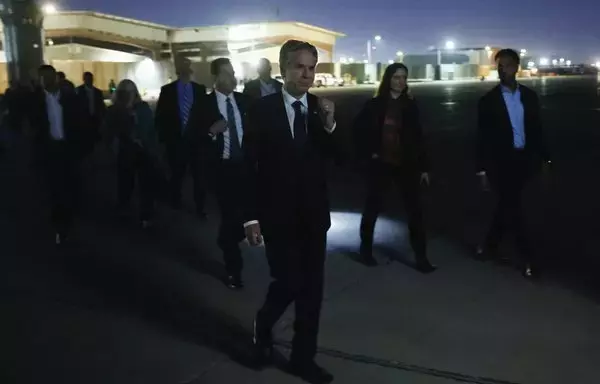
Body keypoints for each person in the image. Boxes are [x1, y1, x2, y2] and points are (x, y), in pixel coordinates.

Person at [245, 40, 336, 384]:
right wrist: (251, 217)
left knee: (312, 291)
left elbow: (338, 157)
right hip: (277, 216)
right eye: (300, 66)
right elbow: (249, 166)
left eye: (312, 67)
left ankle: (303, 359)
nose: (307, 74)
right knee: (288, 282)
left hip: (314, 217)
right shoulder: (262, 110)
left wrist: (329, 125)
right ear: (283, 68)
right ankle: (264, 327)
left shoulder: (319, 108)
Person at [353, 63, 436, 273]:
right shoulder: (375, 104)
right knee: (372, 208)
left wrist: (424, 167)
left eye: (404, 77)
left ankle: (421, 257)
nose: (400, 81)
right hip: (381, 163)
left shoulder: (411, 105)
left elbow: (419, 137)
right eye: (397, 77)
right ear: (388, 79)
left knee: (415, 212)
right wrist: (369, 152)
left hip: (406, 164)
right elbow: (358, 130)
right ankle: (366, 250)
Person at [476, 48, 551, 279]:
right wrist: (481, 170)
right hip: (501, 163)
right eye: (499, 65)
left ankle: (488, 247)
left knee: (506, 206)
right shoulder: (488, 101)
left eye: (506, 65)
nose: (501, 69)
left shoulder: (529, 96)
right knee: (515, 210)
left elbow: (537, 129)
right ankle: (529, 259)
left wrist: (545, 158)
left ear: (516, 67)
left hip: (524, 161)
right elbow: (482, 138)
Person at [193, 58, 252, 289]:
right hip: (223, 170)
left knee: (243, 218)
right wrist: (210, 132)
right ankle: (233, 270)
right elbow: (193, 139)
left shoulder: (245, 102)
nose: (233, 77)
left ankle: (228, 239)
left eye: (233, 72)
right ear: (215, 78)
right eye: (227, 74)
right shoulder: (204, 105)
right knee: (230, 218)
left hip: (247, 168)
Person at [29, 65, 84, 245]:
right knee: (54, 187)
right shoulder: (36, 100)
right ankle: (59, 222)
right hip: (49, 149)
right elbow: (33, 126)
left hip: (67, 148)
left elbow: (80, 122)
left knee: (70, 184)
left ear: (55, 78)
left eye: (48, 77)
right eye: (41, 77)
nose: (45, 80)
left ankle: (69, 215)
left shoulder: (69, 98)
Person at [155, 56, 209, 218]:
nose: (185, 71)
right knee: (177, 173)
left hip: (196, 141)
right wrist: (163, 140)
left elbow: (205, 116)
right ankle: (175, 200)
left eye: (187, 67)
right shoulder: (167, 90)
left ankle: (200, 207)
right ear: (179, 71)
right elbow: (161, 116)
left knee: (199, 177)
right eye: (182, 68)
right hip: (176, 141)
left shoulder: (199, 89)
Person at [104, 79, 159, 228]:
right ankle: (124, 209)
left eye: (130, 92)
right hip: (125, 150)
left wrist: (143, 140)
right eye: (124, 92)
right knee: (125, 183)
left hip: (143, 151)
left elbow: (149, 128)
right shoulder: (115, 110)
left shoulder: (143, 108)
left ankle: (146, 214)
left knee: (145, 184)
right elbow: (110, 130)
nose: (128, 95)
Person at [76, 71, 106, 157]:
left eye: (90, 79)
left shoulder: (98, 92)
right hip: (83, 120)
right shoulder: (78, 91)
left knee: (95, 139)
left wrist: (102, 118)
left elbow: (101, 105)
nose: (89, 81)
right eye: (87, 79)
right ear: (84, 79)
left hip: (95, 119)